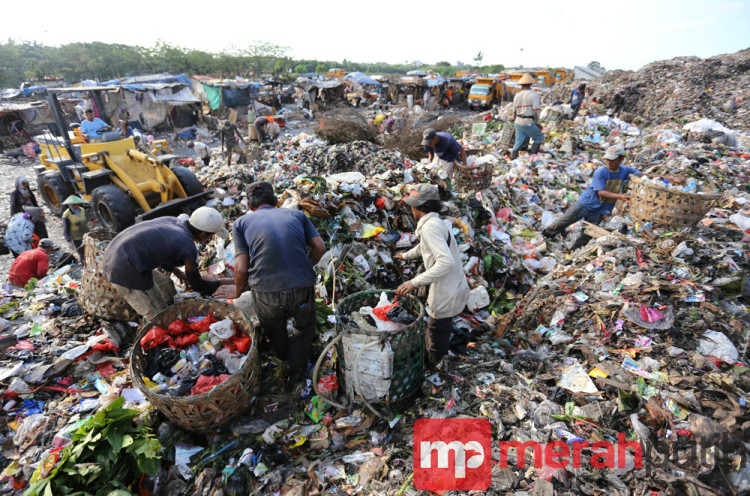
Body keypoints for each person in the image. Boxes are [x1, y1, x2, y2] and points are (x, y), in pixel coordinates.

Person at [230, 181, 326, 387]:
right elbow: (320, 246)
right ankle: (298, 372)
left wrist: (238, 290)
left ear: (249, 205)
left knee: (275, 330)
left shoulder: (240, 223)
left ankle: (285, 363)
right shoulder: (297, 215)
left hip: (266, 292)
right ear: (275, 201)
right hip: (301, 286)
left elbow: (241, 268)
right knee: (303, 329)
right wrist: (306, 265)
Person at [542, 144, 683, 249]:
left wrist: (668, 177)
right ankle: (546, 236)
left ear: (621, 159)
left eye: (612, 160)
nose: (608, 163)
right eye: (607, 160)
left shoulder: (625, 171)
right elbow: (601, 192)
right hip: (586, 203)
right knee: (564, 221)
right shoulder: (600, 172)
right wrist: (621, 196)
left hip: (600, 209)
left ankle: (572, 253)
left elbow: (644, 176)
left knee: (587, 234)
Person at [103, 207, 231, 321]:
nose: (208, 240)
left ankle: (170, 311)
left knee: (166, 286)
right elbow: (197, 284)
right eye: (210, 237)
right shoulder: (187, 245)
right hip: (122, 269)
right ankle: (163, 325)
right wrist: (222, 283)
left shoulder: (172, 221)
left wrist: (177, 271)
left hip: (119, 253)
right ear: (203, 234)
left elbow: (160, 251)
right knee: (157, 313)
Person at [395, 184, 470, 368]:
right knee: (438, 329)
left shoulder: (430, 228)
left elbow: (446, 262)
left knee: (437, 338)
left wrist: (414, 282)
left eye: (412, 205)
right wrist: (405, 255)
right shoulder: (436, 223)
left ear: (419, 207)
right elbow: (425, 246)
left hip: (446, 291)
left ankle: (439, 373)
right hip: (453, 285)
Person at [510, 73, 544, 160]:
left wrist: (513, 117)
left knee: (519, 140)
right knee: (539, 136)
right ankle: (532, 156)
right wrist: (537, 123)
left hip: (518, 121)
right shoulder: (534, 94)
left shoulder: (517, 95)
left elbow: (514, 110)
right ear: (530, 84)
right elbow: (535, 111)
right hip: (528, 122)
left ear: (521, 85)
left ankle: (513, 158)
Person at [62, 196, 89, 262]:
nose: (77, 206)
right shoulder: (66, 214)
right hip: (77, 238)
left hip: (87, 234)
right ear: (70, 205)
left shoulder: (82, 210)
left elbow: (87, 220)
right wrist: (69, 240)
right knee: (83, 254)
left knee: (90, 251)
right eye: (74, 204)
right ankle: (85, 267)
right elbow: (66, 228)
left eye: (78, 204)